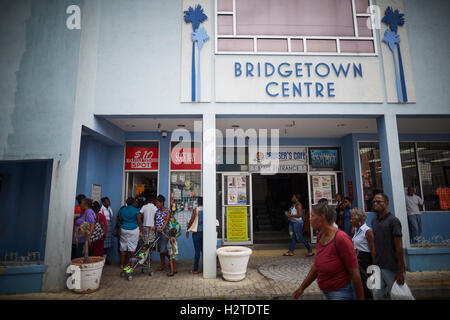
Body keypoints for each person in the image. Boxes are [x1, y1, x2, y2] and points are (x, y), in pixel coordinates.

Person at [292, 203, 364, 300]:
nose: (310, 219)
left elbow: (355, 274)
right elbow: (317, 265)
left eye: (312, 216)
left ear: (322, 218)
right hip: (327, 293)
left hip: (341, 293)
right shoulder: (320, 236)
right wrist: (301, 288)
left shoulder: (341, 238)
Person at [371, 193, 406, 300]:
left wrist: (400, 271)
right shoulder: (374, 221)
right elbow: (375, 246)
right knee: (377, 295)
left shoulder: (393, 221)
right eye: (374, 202)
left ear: (386, 203)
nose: (375, 203)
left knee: (395, 296)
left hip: (392, 268)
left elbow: (399, 248)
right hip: (378, 266)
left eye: (379, 201)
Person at [350, 208, 376, 299]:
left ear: (359, 220)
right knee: (360, 286)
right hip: (358, 260)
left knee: (367, 287)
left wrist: (373, 267)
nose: (351, 220)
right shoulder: (357, 230)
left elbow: (373, 249)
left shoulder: (367, 231)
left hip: (365, 261)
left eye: (353, 219)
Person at [118, 197, 143, 269]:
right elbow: (139, 222)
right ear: (133, 203)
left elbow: (120, 218)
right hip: (133, 230)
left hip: (124, 229)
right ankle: (131, 265)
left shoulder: (122, 210)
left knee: (123, 248)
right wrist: (140, 231)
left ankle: (122, 265)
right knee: (132, 248)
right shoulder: (136, 211)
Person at [186, 197, 203, 274]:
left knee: (197, 251)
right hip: (205, 232)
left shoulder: (196, 209)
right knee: (204, 251)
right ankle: (206, 268)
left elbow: (192, 220)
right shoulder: (207, 209)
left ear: (198, 202)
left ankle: (195, 269)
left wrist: (187, 229)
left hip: (197, 232)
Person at [155, 195, 171, 272]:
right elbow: (155, 221)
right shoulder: (157, 211)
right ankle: (163, 266)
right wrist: (155, 227)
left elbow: (167, 221)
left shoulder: (167, 211)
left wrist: (162, 229)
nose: (156, 204)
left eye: (157, 203)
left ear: (162, 203)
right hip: (158, 232)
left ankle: (171, 259)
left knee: (163, 249)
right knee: (161, 250)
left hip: (165, 232)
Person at [72, 194, 86, 259]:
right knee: (79, 249)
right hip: (79, 231)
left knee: (75, 247)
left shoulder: (74, 208)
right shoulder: (82, 209)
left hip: (74, 229)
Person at [100, 197, 114, 264]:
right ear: (103, 203)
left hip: (110, 226)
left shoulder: (109, 208)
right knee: (103, 244)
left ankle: (105, 258)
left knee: (107, 245)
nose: (108, 203)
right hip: (104, 226)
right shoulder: (101, 209)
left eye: (109, 201)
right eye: (107, 201)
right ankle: (102, 258)